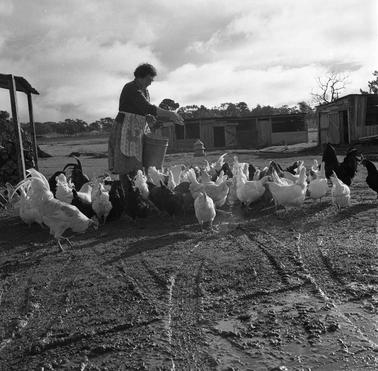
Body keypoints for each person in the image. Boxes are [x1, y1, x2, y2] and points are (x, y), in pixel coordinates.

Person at [108, 63, 184, 188]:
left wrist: (149, 118)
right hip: (125, 129)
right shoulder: (131, 88)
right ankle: (128, 191)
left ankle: (136, 189)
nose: (150, 83)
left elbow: (143, 110)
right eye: (149, 79)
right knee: (126, 164)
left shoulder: (145, 90)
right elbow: (146, 107)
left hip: (136, 129)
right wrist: (170, 114)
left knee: (136, 163)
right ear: (140, 77)